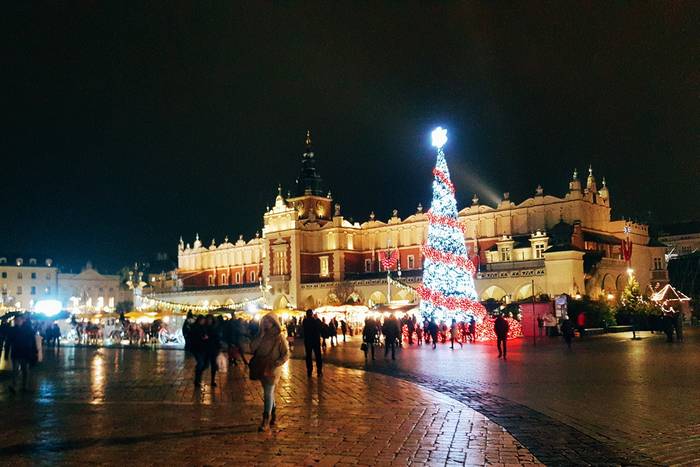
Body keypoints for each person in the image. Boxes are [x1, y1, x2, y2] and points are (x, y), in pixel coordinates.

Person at [250, 313, 289, 432]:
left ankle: (265, 419)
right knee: (269, 393)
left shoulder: (279, 337)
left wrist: (276, 363)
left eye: (268, 321)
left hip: (272, 368)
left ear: (274, 322)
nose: (265, 323)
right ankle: (274, 414)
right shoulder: (260, 335)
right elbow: (252, 348)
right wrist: (261, 336)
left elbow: (286, 354)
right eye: (264, 321)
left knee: (268, 392)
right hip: (261, 366)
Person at [7, 314, 38, 393]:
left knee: (24, 370)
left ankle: (24, 386)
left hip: (25, 352)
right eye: (15, 320)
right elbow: (8, 341)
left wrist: (34, 351)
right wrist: (6, 353)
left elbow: (33, 341)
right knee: (15, 370)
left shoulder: (28, 329)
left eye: (18, 320)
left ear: (22, 320)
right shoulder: (13, 329)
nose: (16, 321)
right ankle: (14, 385)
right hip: (16, 352)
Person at [190, 316, 210, 387]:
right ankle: (197, 379)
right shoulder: (195, 327)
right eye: (202, 320)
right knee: (201, 363)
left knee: (205, 364)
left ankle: (198, 375)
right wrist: (203, 337)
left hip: (204, 348)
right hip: (197, 348)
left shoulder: (204, 327)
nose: (203, 321)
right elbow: (193, 337)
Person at [302, 310, 323, 377]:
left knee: (308, 356)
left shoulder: (305, 321)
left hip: (308, 341)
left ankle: (309, 371)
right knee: (318, 356)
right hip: (315, 341)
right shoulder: (315, 321)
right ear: (312, 314)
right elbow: (320, 326)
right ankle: (319, 371)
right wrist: (316, 318)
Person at [205, 315, 221, 387]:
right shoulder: (204, 327)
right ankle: (198, 378)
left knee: (213, 364)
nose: (209, 321)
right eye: (208, 319)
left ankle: (212, 380)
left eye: (210, 319)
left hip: (213, 348)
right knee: (204, 364)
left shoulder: (215, 328)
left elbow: (218, 337)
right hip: (206, 348)